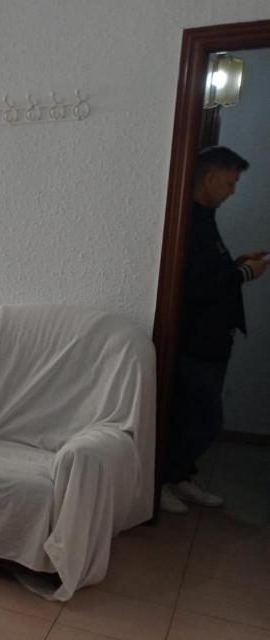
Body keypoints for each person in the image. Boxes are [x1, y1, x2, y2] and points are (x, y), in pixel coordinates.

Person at [162, 145, 268, 513]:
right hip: (195, 341)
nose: (233, 191)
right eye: (230, 182)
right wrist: (244, 274)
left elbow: (211, 271)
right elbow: (198, 283)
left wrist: (236, 265)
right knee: (202, 418)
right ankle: (162, 480)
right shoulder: (187, 218)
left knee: (194, 415)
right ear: (209, 177)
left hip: (212, 339)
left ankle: (179, 477)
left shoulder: (205, 218)